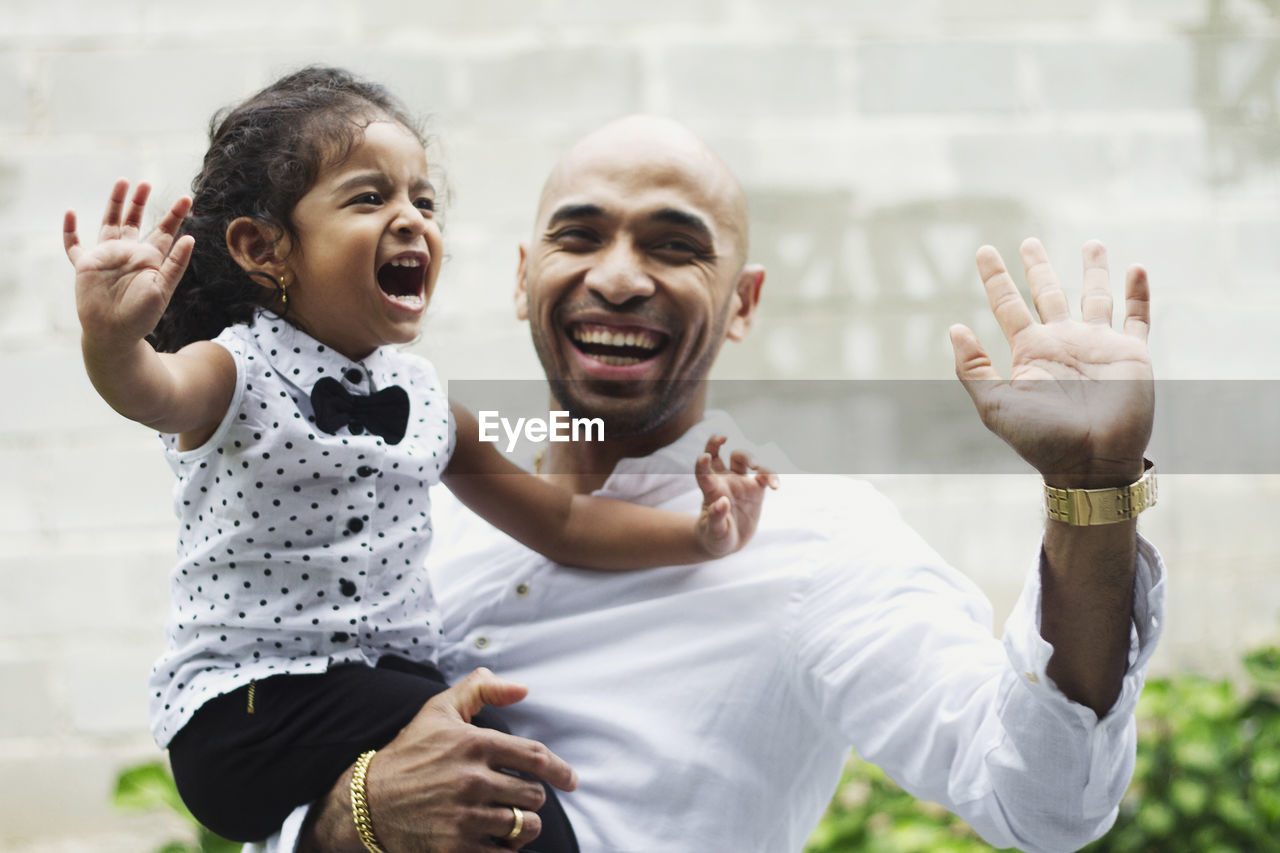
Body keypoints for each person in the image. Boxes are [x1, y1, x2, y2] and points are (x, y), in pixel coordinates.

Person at [260, 115, 1163, 853]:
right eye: (580, 235)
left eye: (674, 246)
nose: (616, 277)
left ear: (743, 304)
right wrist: (360, 814)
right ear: (524, 275)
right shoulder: (409, 510)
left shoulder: (819, 545)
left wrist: (1094, 493)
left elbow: (1039, 800)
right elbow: (273, 792)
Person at [61, 71, 776, 847]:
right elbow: (151, 392)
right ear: (264, 248)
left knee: (476, 781)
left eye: (423, 201)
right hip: (246, 709)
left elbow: (562, 521)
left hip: (372, 692)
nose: (410, 220)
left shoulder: (427, 400)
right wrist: (112, 340)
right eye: (370, 199)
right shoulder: (234, 372)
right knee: (508, 784)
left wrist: (699, 538)